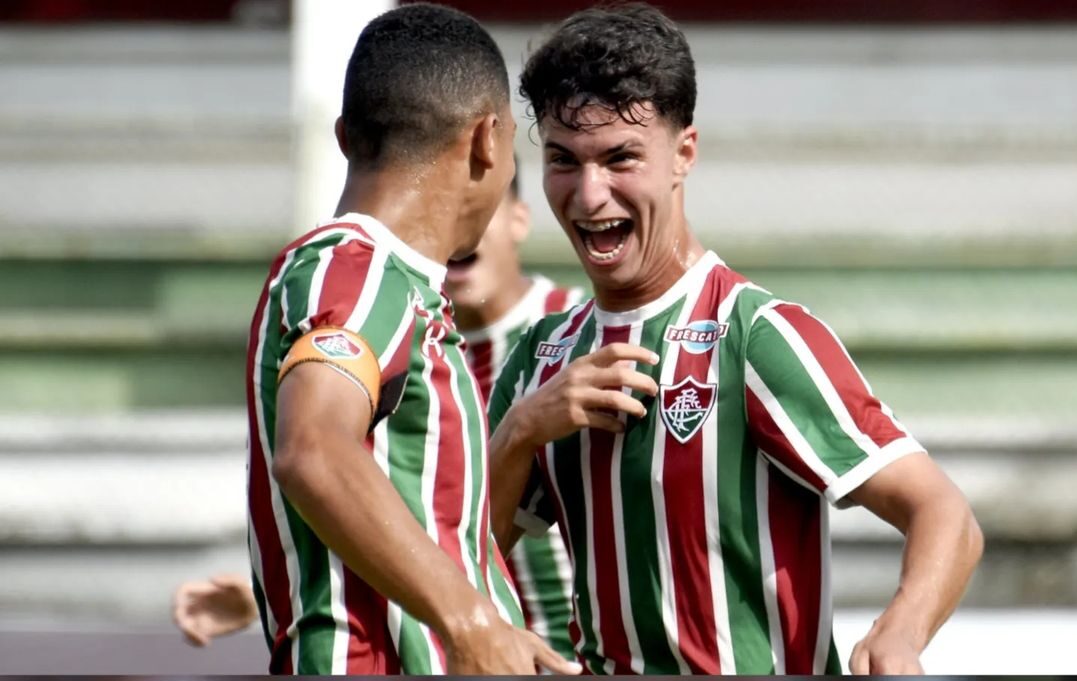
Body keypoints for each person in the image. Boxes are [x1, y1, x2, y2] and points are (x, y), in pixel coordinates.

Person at [487, 3, 983, 675]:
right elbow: (463, 559)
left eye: (619, 158)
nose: (588, 194)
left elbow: (943, 513)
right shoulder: (542, 357)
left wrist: (899, 631)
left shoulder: (757, 335)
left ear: (682, 153)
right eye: (562, 161)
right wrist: (520, 430)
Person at [242, 3, 578, 675]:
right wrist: (471, 619)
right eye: (517, 140)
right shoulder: (358, 271)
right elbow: (312, 447)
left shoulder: (382, 282)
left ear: (344, 135)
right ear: (488, 141)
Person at [174, 171, 584, 662]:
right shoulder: (390, 317)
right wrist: (275, 579)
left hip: (549, 654)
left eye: (477, 200)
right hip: (453, 641)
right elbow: (396, 505)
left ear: (518, 218)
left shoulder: (574, 338)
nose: (454, 213)